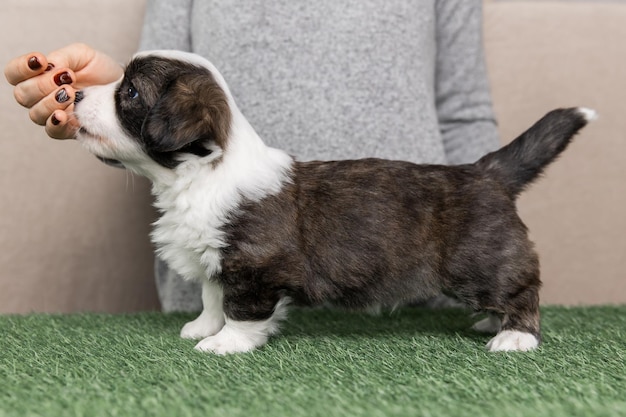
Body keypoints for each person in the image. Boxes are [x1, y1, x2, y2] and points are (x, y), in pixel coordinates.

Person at [4, 0, 499, 312]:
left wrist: (478, 229)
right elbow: (163, 101)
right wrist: (107, 111)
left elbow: (463, 113)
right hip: (217, 300)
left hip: (410, 291)